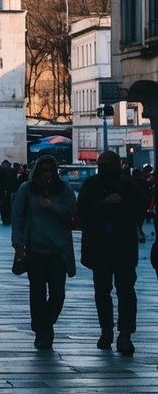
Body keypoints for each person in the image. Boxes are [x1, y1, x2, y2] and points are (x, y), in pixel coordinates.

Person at [77, 150, 147, 355]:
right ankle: (106, 331)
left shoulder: (128, 186)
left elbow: (141, 206)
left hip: (123, 246)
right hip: (101, 247)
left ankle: (125, 333)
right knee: (102, 291)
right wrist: (105, 204)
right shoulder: (91, 185)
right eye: (101, 165)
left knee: (126, 291)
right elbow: (82, 210)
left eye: (106, 165)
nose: (103, 169)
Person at [12, 155, 76, 350]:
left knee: (58, 294)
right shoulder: (27, 190)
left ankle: (43, 325)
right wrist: (18, 245)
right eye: (44, 170)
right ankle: (43, 333)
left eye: (51, 170)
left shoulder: (64, 190)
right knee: (37, 293)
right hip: (36, 250)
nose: (47, 174)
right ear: (37, 171)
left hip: (58, 251)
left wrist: (52, 207)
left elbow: (72, 216)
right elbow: (18, 217)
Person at [0, 159, 18, 225]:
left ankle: (6, 219)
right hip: (7, 192)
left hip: (5, 193)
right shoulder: (11, 172)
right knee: (7, 207)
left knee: (5, 207)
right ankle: (7, 218)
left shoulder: (1, 173)